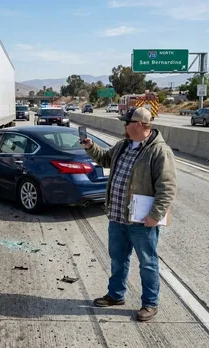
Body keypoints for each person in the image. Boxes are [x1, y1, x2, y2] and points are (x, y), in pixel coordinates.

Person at [80, 106, 177, 321]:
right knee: (118, 259)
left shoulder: (159, 151)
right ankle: (116, 295)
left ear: (140, 125)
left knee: (148, 263)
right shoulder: (123, 145)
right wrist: (90, 146)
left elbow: (167, 187)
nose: (124, 125)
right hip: (117, 216)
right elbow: (105, 159)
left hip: (142, 220)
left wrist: (156, 214)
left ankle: (150, 303)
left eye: (128, 122)